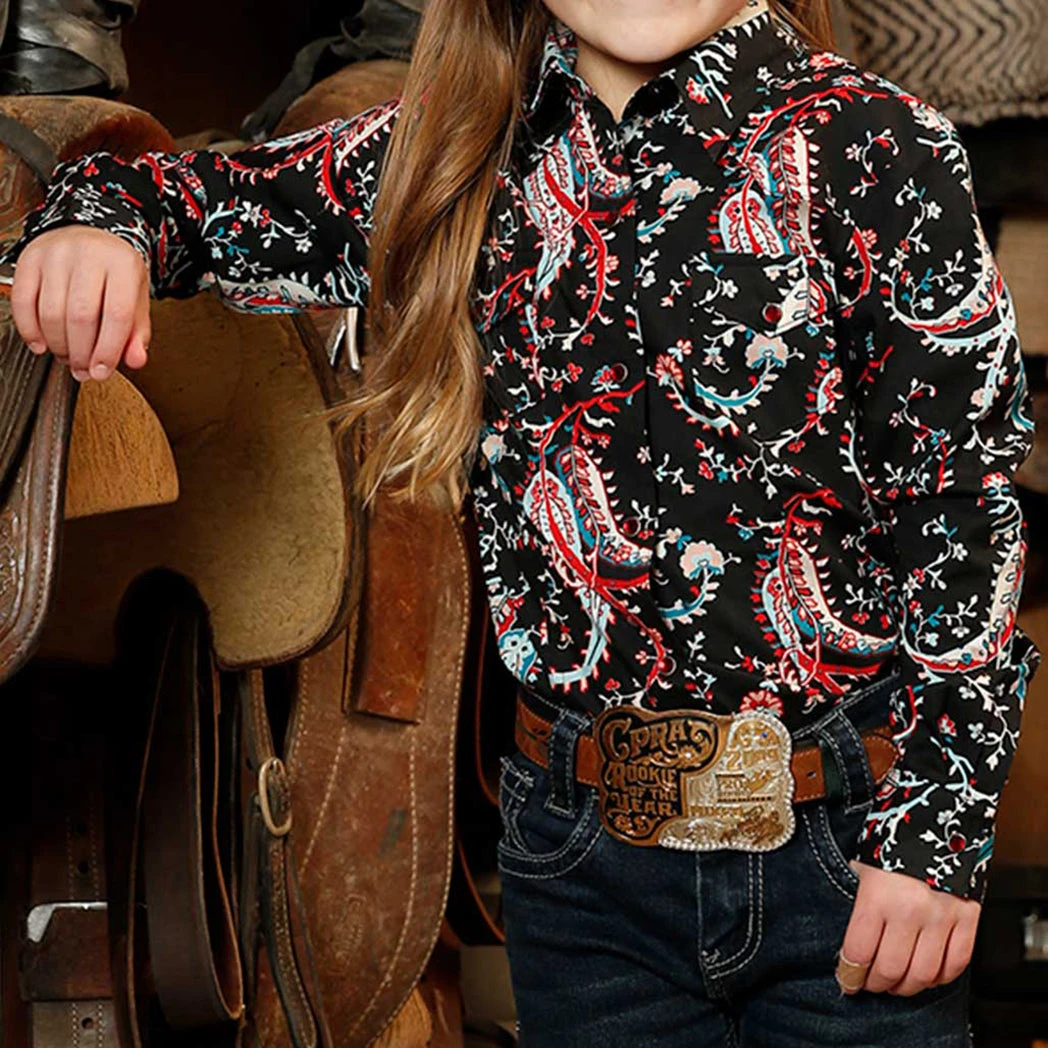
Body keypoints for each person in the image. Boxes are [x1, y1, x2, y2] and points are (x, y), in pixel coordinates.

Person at [4, 0, 1041, 1044]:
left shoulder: (878, 147)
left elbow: (962, 512)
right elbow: (188, 196)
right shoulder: (460, 153)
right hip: (584, 876)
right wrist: (100, 223)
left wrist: (935, 837)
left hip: (844, 848)